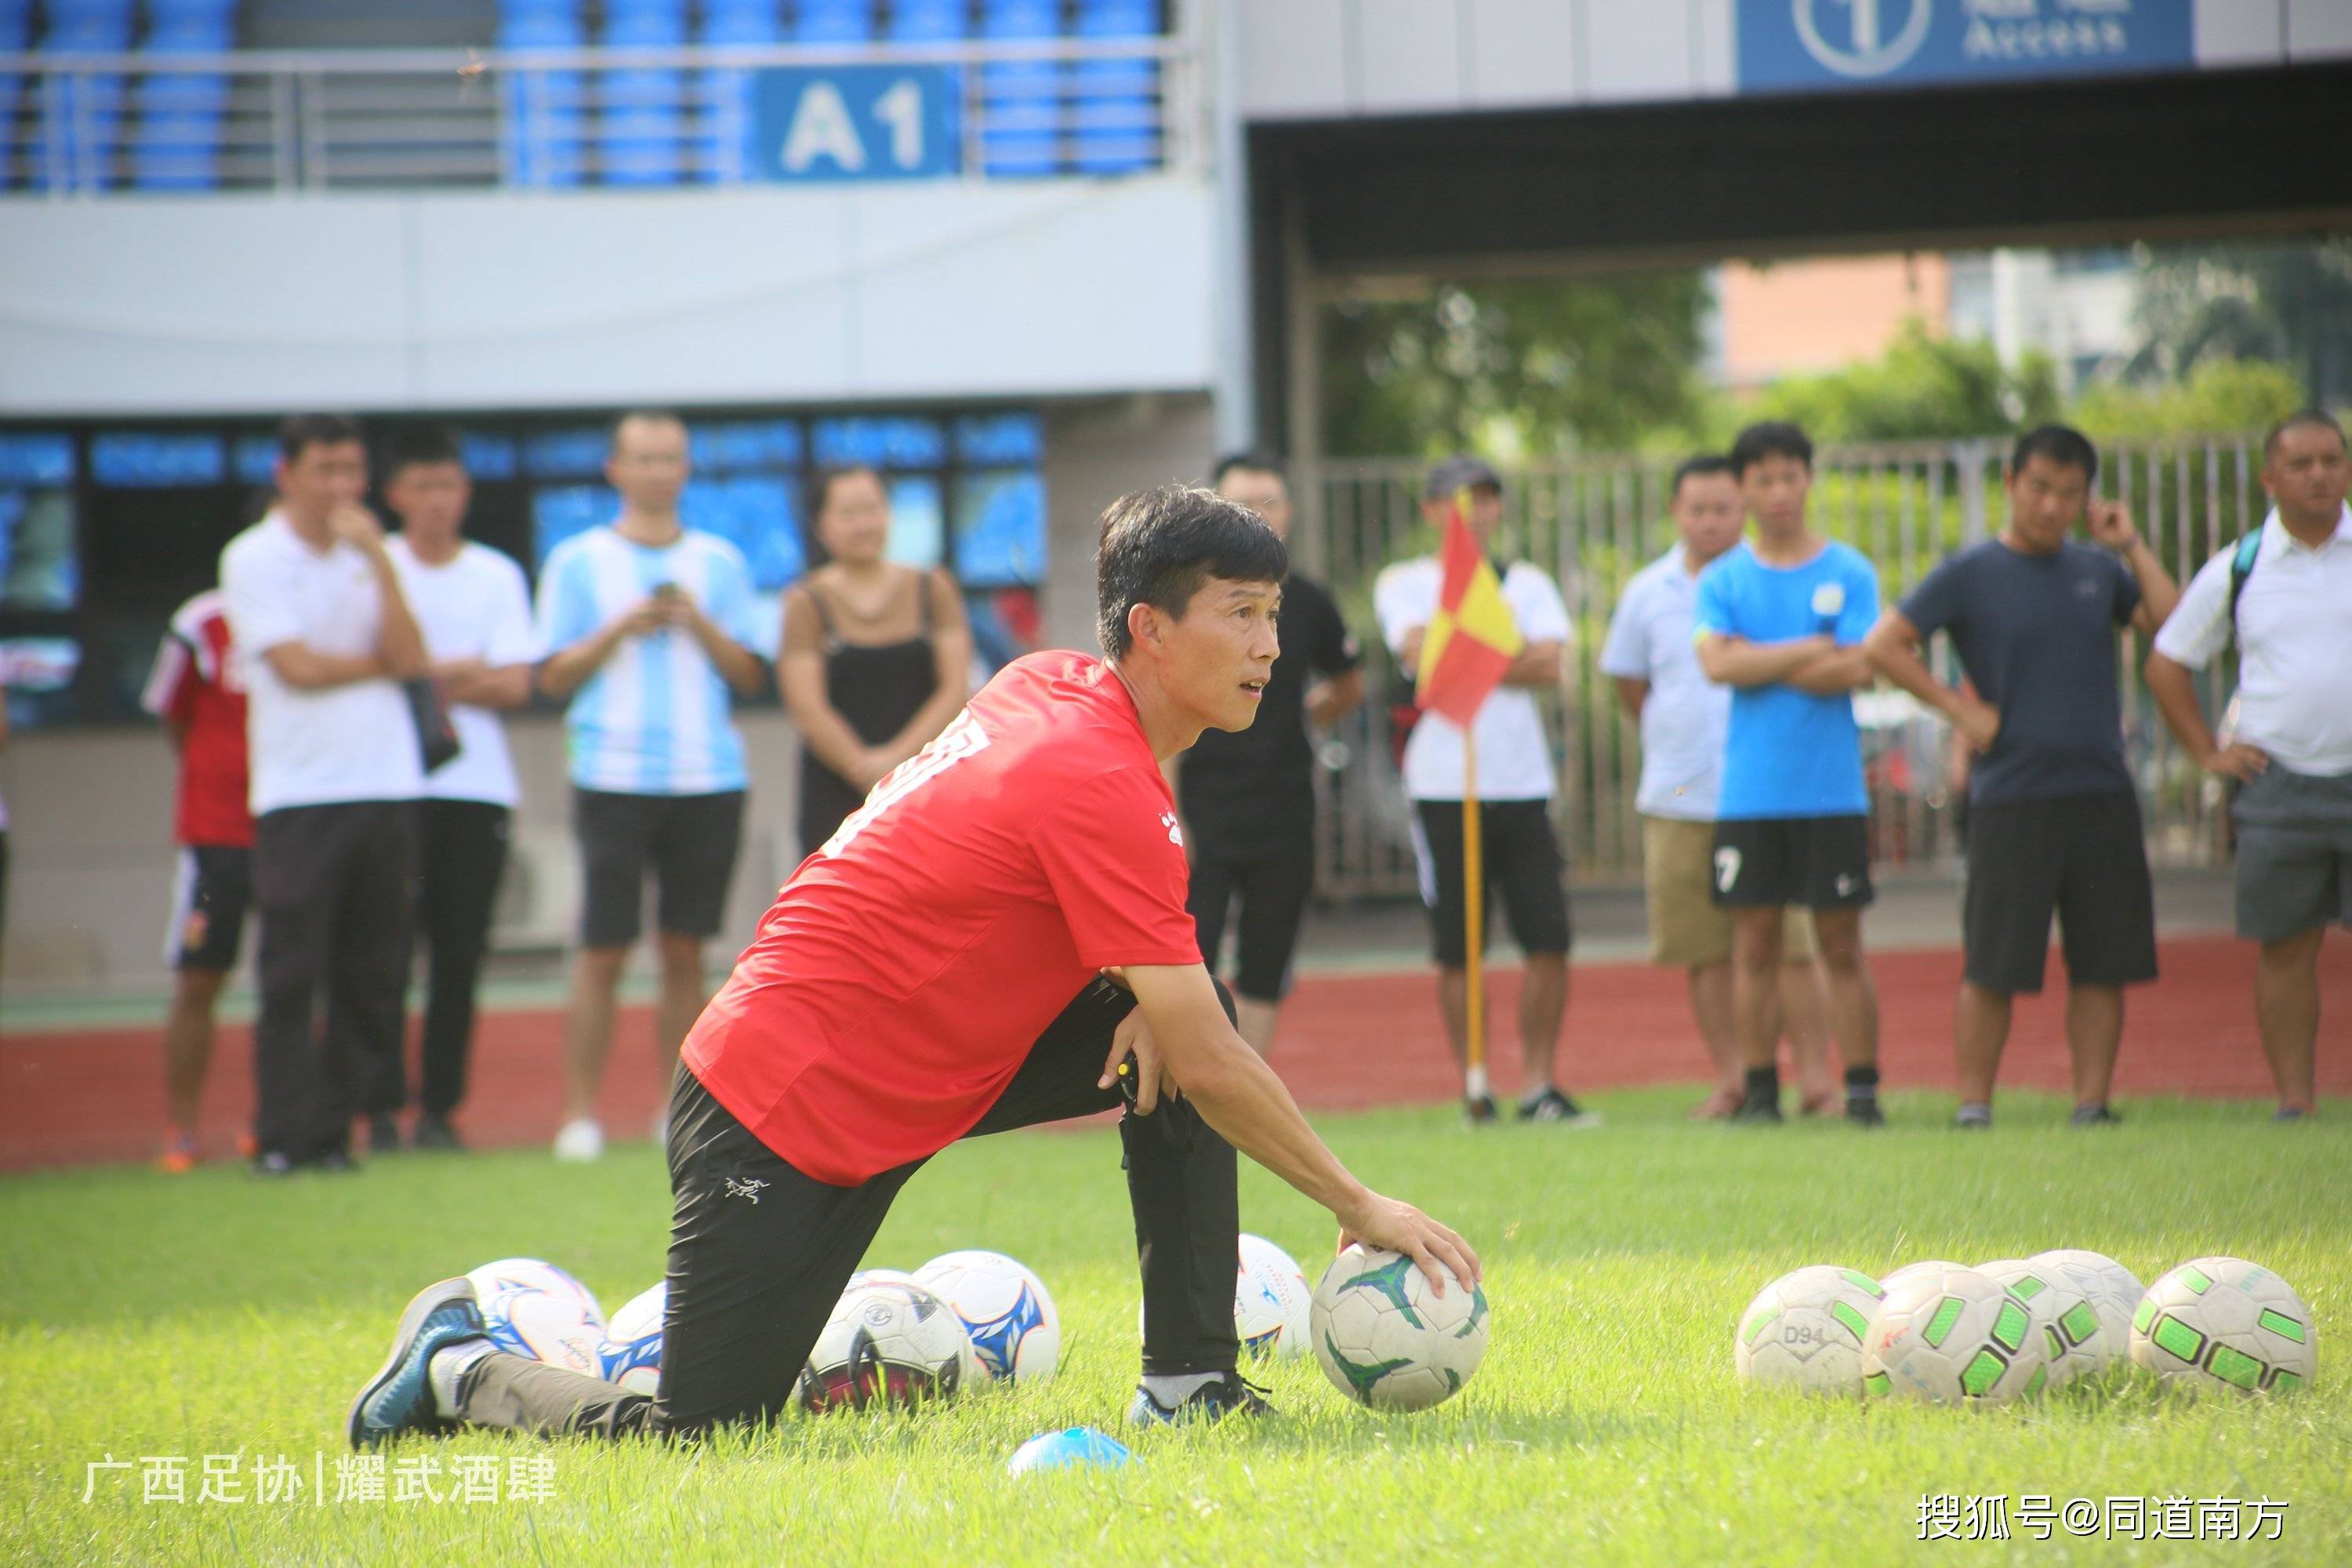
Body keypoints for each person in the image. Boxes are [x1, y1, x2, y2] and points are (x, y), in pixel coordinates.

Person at [346, 485, 1480, 1447]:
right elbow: (1199, 1023)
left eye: (1274, 614)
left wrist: (1151, 995)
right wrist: (1358, 1203)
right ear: (1149, 629)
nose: (1271, 647)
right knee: (697, 1440)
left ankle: (1191, 1382)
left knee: (1188, 1018)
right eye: (1242, 616)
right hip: (779, 1104)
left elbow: (1137, 915)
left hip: (930, 1072)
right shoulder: (1086, 768)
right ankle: (454, 1367)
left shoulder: (1053, 684)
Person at [1864, 425, 2180, 1130]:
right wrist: (1959, 711)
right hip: (2011, 794)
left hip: (2101, 788)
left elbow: (2172, 624)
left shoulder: (2099, 571)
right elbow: (1884, 643)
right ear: (2009, 483)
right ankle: (1975, 1105)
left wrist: (2128, 543)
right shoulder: (1970, 572)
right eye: (2040, 488)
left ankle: (2091, 1104)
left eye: (2070, 493)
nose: (2052, 506)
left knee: (2103, 960)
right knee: (1993, 962)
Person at [535, 412, 768, 1163]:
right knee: (602, 949)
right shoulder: (578, 561)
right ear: (615, 469)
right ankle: (579, 1116)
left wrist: (696, 622)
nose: (658, 470)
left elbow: (749, 674)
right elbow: (551, 675)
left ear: (686, 468)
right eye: (643, 458)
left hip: (707, 776)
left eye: (670, 458)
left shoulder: (720, 563)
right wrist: (617, 630)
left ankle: (678, 1114)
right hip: (611, 772)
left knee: (685, 951)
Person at [220, 414, 428, 1175]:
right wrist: (377, 661)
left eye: (352, 470)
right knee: (291, 970)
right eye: (326, 470)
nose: (342, 487)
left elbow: (411, 658)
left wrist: (380, 559)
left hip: (388, 782)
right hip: (300, 790)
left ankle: (336, 1133)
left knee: (370, 970)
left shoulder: (373, 556)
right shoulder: (254, 556)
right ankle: (280, 1133)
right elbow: (296, 667)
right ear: (288, 473)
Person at [1600, 455, 1837, 1120]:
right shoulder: (1648, 591)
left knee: (1791, 945)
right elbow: (1629, 683)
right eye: (1697, 509)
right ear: (1676, 511)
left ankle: (1817, 1082)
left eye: (1723, 508)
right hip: (1678, 794)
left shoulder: (1773, 585)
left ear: (1745, 509)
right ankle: (1736, 1081)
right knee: (1701, 949)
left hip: (1770, 790)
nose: (1710, 521)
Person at [2145, 409, 2352, 1123]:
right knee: (2285, 948)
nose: (2319, 474)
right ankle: (2295, 1102)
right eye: (2302, 463)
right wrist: (2208, 751)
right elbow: (2168, 659)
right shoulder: (2241, 566)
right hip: (2278, 784)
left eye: (2332, 459)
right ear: (2270, 478)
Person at [1374, 456, 1594, 1125]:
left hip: (1522, 784)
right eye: (1458, 499)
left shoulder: (1528, 582)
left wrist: (1464, 652)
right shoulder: (1406, 582)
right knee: (1458, 945)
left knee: (1548, 938)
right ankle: (1475, 1082)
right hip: (1445, 785)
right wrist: (1501, 652)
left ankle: (1537, 1086)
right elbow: (1419, 657)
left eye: (1486, 499)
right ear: (1432, 510)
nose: (1474, 512)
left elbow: (1551, 663)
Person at [1693, 422, 1886, 1127]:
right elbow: (1717, 665)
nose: (1777, 493)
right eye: (1762, 480)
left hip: (1832, 790)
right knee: (1754, 945)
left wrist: (1761, 656)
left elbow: (1863, 665)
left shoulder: (1849, 570)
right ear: (1743, 488)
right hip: (1750, 794)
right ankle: (1761, 1095)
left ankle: (1861, 1093)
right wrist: (1812, 648)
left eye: (1789, 477)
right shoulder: (1723, 578)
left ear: (1808, 479)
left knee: (1841, 943)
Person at [1170, 452, 1364, 1057]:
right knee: (1187, 956)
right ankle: (1191, 1092)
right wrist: (1169, 812)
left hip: (1283, 806)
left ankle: (1244, 1093)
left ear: (1289, 511)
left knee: (1267, 958)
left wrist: (1300, 719)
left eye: (1269, 502)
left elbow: (1349, 680)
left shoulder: (1307, 600)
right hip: (1202, 808)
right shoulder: (1189, 602)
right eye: (1241, 504)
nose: (1258, 515)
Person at [383, 426, 542, 1152]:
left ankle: (439, 1110)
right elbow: (373, 661)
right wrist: (460, 671)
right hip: (381, 782)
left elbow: (514, 682)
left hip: (474, 789)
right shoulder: (373, 566)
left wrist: (421, 674)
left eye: (449, 486)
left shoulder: (495, 574)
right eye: (423, 486)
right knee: (379, 951)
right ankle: (375, 1105)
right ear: (396, 495)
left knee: (458, 953)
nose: (438, 502)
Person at [779, 465, 971, 858]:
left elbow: (955, 689)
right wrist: (862, 766)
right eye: (848, 514)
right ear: (820, 524)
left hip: (926, 779)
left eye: (873, 509)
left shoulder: (932, 588)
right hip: (834, 788)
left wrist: (897, 762)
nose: (863, 524)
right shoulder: (805, 601)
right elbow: (807, 708)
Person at [140, 586, 258, 1171]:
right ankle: (182, 1127)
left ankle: (272, 1121)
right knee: (200, 979)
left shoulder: (328, 605)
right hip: (217, 832)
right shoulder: (204, 619)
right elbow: (170, 710)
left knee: (293, 978)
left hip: (296, 827)